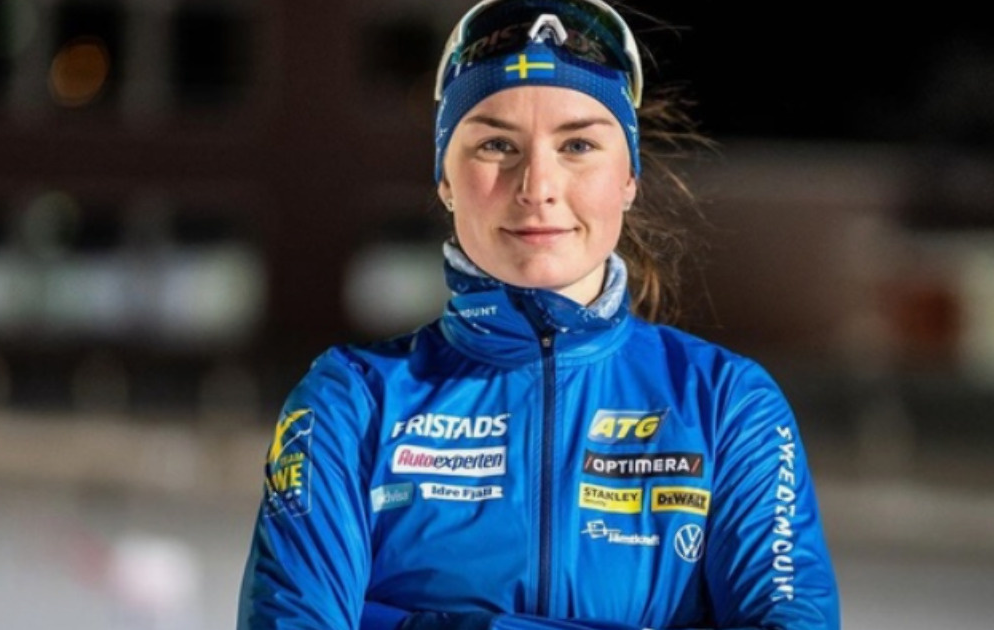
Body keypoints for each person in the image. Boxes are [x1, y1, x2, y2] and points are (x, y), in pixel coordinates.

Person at [237, 0, 841, 628]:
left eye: (578, 144)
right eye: (497, 144)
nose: (537, 187)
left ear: (629, 178)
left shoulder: (726, 404)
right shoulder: (350, 401)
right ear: (444, 179)